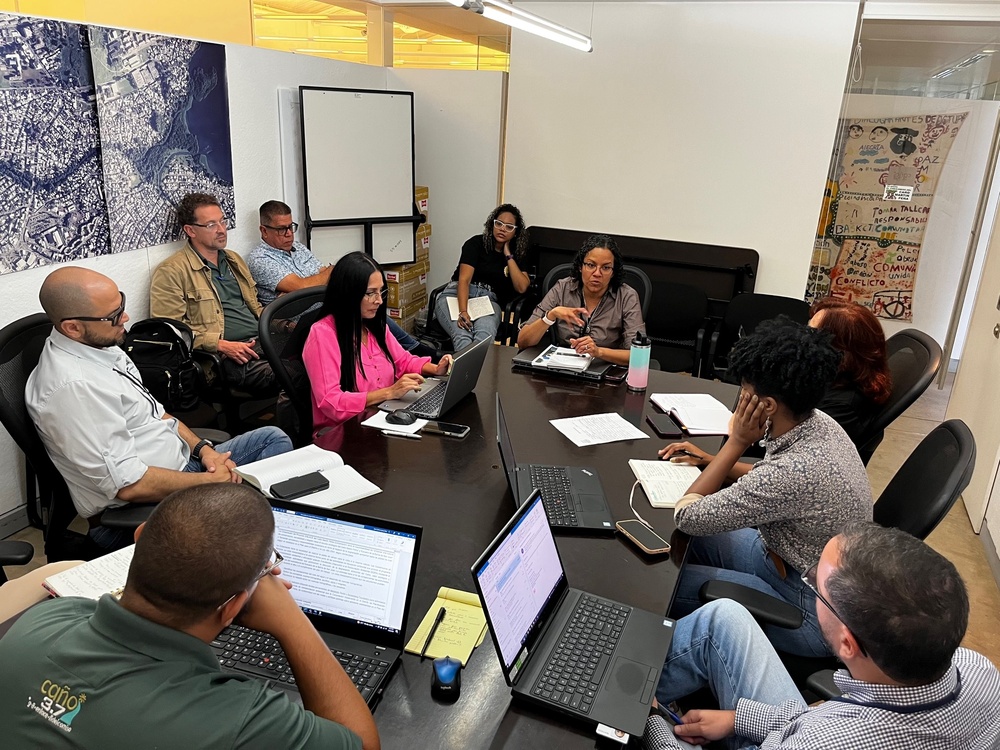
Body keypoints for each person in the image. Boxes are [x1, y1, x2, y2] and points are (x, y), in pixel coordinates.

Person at [0, 484, 379, 749]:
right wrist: (289, 618)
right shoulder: (240, 721)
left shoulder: (40, 621)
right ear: (231, 607)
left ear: (140, 536)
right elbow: (361, 744)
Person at [646, 522, 1000, 750]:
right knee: (725, 616)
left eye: (815, 587)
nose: (810, 581)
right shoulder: (980, 672)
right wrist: (740, 719)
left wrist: (651, 721)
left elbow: (825, 730)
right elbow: (829, 720)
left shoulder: (823, 741)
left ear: (847, 642)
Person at [26, 267, 292, 551]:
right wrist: (207, 481)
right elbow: (130, 486)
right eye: (114, 316)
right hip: (143, 508)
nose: (125, 318)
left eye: (122, 305)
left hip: (183, 470)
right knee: (254, 513)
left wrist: (205, 450)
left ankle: (261, 535)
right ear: (72, 327)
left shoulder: (102, 347)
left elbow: (158, 414)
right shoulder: (74, 389)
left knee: (273, 440)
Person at [658, 319, 872, 657]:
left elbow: (687, 515)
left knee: (660, 584)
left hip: (809, 613)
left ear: (767, 405)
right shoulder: (821, 424)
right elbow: (769, 475)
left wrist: (736, 443)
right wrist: (711, 461)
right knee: (674, 549)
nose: (740, 396)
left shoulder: (793, 472)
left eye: (744, 388)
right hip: (791, 563)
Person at [247, 199, 429, 353]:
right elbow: (301, 287)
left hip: (325, 305)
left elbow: (332, 273)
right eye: (281, 229)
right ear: (264, 231)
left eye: (290, 227)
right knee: (360, 309)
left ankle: (409, 351)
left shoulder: (298, 248)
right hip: (300, 319)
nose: (288, 234)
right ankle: (413, 351)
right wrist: (313, 281)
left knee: (368, 307)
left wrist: (314, 280)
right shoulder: (260, 259)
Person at [302, 252, 452, 431]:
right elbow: (330, 401)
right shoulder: (323, 334)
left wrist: (436, 369)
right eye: (370, 293)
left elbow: (402, 360)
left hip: (381, 417)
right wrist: (389, 392)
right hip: (345, 431)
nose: (379, 300)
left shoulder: (374, 325)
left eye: (381, 291)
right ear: (348, 294)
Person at [150, 192, 278, 396]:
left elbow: (255, 307)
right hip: (225, 358)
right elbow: (170, 332)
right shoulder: (172, 271)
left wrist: (282, 324)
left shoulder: (233, 260)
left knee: (321, 358)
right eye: (211, 225)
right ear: (190, 230)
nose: (221, 230)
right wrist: (219, 344)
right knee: (296, 374)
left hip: (261, 340)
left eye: (222, 221)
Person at [517, 234, 644, 365]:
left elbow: (639, 355)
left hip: (605, 370)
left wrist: (599, 351)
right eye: (590, 265)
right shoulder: (562, 288)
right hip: (562, 368)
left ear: (613, 272)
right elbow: (523, 341)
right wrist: (550, 316)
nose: (597, 273)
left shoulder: (627, 296)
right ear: (580, 266)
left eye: (605, 268)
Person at [434, 204, 531, 351]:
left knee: (484, 337)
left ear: (516, 232)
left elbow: (522, 287)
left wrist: (508, 255)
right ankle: (465, 374)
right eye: (498, 224)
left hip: (488, 301)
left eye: (509, 227)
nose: (502, 229)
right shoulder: (475, 244)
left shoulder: (516, 253)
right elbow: (464, 280)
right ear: (491, 224)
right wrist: (463, 311)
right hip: (457, 295)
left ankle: (471, 373)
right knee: (462, 335)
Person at [808, 297, 892, 445]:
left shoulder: (842, 406)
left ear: (839, 349)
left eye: (811, 334)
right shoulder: (831, 377)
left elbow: (795, 463)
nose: (801, 339)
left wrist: (752, 435)